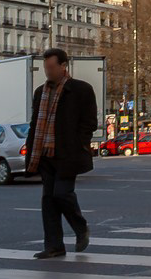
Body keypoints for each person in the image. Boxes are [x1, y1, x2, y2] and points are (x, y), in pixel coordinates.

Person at [24, 48, 97, 259]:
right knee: (48, 201)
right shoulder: (40, 92)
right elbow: (35, 123)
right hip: (44, 154)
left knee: (62, 194)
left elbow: (89, 122)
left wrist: (79, 144)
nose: (48, 71)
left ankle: (80, 227)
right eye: (46, 67)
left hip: (68, 154)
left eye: (51, 67)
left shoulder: (81, 89)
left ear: (64, 66)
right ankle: (54, 246)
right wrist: (31, 150)